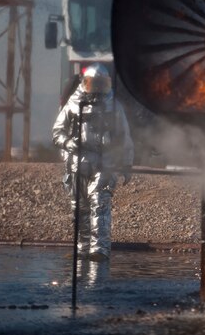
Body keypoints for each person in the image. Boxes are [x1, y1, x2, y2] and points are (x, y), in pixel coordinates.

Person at [52, 63, 134, 262]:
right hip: (77, 163)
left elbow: (124, 137)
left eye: (100, 84)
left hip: (105, 162)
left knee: (99, 203)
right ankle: (82, 248)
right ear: (84, 83)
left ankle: (100, 249)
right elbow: (57, 132)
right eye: (92, 84)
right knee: (79, 207)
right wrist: (69, 143)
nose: (96, 88)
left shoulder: (114, 106)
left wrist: (126, 164)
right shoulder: (73, 104)